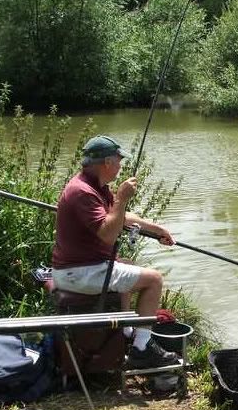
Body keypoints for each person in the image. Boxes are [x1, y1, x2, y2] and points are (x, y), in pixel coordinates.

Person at [51, 135, 178, 369]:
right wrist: (121, 198)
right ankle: (142, 347)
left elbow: (119, 218)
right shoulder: (82, 192)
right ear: (107, 162)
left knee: (128, 264)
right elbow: (108, 234)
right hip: (77, 274)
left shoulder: (94, 185)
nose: (121, 167)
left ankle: (126, 332)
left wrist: (157, 229)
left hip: (80, 268)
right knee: (154, 280)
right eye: (119, 162)